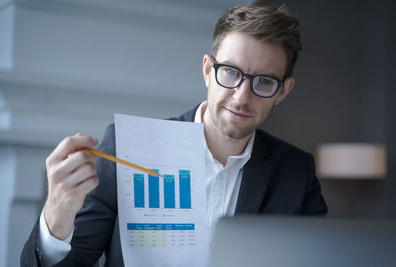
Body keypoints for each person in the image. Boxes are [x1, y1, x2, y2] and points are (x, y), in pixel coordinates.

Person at [21, 2, 327, 266]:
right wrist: (57, 220)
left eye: (263, 82)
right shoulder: (127, 147)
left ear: (283, 91)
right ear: (208, 71)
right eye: (231, 73)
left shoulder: (297, 172)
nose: (241, 97)